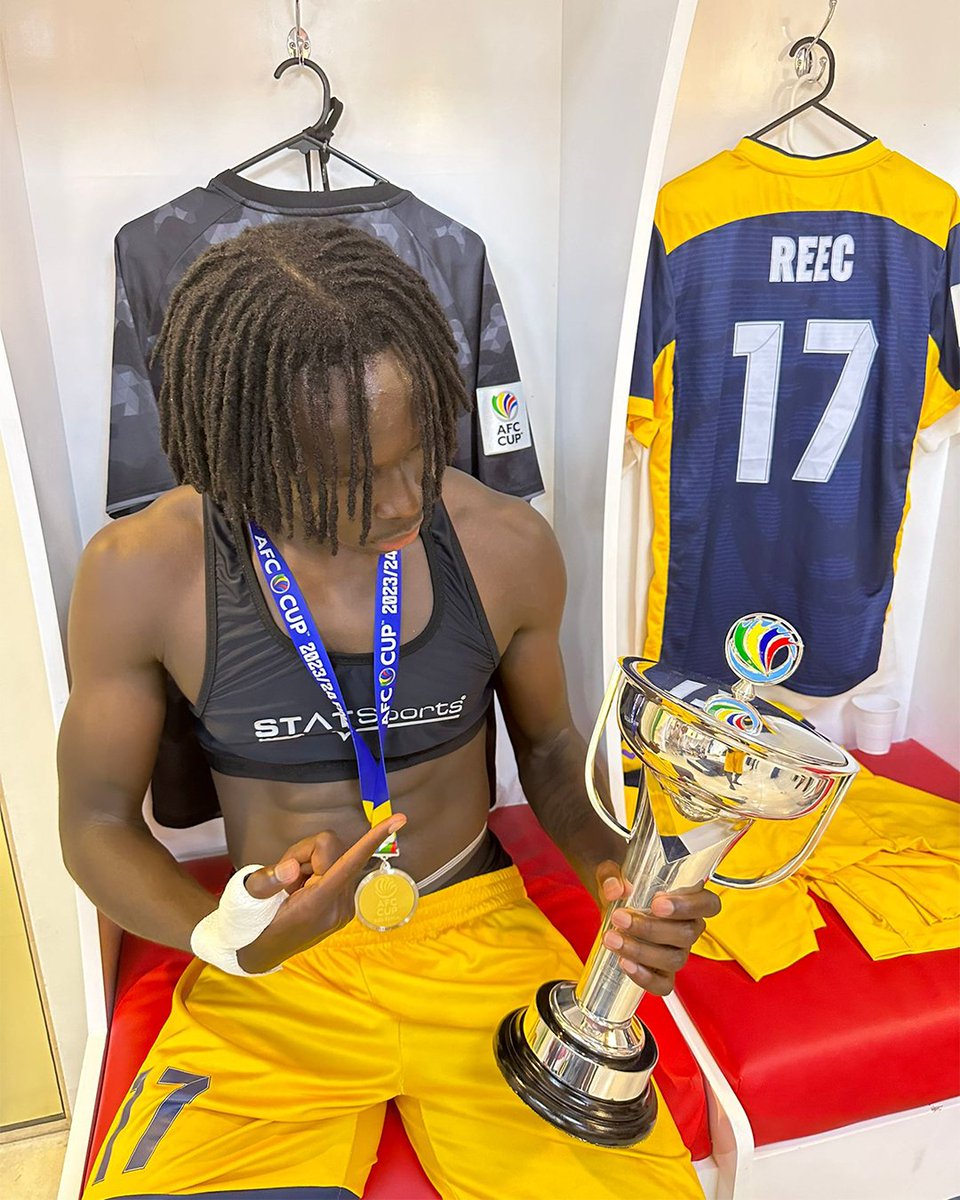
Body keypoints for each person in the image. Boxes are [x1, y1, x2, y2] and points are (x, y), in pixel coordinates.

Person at [59, 221, 719, 1200]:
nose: (406, 500)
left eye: (419, 453)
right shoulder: (143, 571)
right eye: (348, 478)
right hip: (271, 965)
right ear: (242, 452)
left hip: (477, 936)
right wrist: (224, 935)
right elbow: (94, 824)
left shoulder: (504, 545)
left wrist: (619, 877)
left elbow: (548, 752)